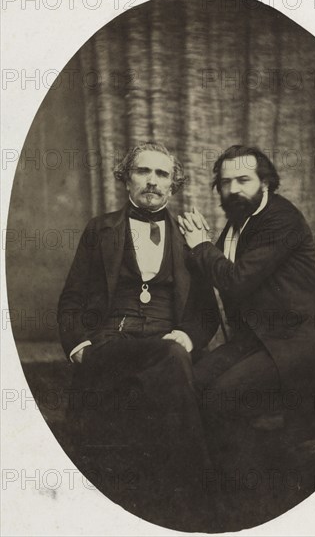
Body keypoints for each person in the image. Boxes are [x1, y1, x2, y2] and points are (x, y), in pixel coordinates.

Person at [178, 145, 315, 528]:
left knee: (222, 397)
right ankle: (218, 488)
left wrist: (201, 247)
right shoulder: (238, 224)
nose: (233, 189)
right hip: (262, 338)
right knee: (193, 383)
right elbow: (220, 280)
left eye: (243, 180)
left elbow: (238, 281)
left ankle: (251, 504)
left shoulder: (281, 219)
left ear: (266, 183)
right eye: (225, 182)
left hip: (303, 343)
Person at [57, 141, 219, 531]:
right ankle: (201, 497)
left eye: (162, 174)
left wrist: (189, 337)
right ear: (126, 179)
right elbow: (72, 300)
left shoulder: (186, 236)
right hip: (111, 345)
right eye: (143, 171)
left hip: (167, 346)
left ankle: (172, 501)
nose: (152, 181)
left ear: (173, 185)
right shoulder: (101, 229)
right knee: (171, 361)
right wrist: (79, 346)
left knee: (172, 356)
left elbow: (206, 312)